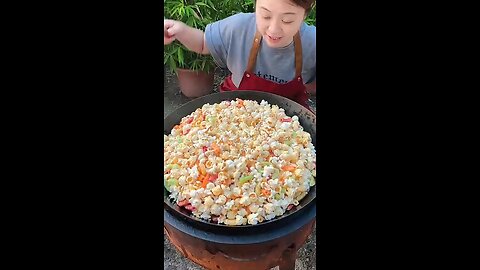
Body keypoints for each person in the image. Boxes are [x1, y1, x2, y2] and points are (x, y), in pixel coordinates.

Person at [164, 0, 316, 109]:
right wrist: (179, 31)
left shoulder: (312, 42)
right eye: (265, 16)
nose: (274, 29)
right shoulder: (238, 28)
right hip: (235, 108)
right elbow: (203, 43)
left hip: (289, 116)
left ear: (305, 15)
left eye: (287, 20)